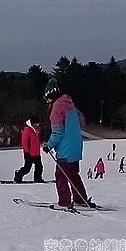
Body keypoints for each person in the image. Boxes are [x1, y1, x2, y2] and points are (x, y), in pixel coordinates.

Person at [42, 77, 95, 208]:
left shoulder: (56, 109)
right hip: (76, 147)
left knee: (61, 175)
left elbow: (57, 132)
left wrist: (49, 145)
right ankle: (80, 199)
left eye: (47, 99)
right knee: (73, 174)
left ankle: (64, 202)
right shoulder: (71, 105)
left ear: (50, 96)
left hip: (65, 150)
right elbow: (82, 122)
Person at [14, 116, 43, 183]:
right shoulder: (27, 130)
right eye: (36, 124)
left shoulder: (36, 130)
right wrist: (26, 152)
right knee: (27, 168)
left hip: (36, 153)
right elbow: (24, 142)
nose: (37, 125)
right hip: (29, 153)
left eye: (38, 124)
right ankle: (18, 176)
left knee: (39, 167)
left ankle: (38, 178)